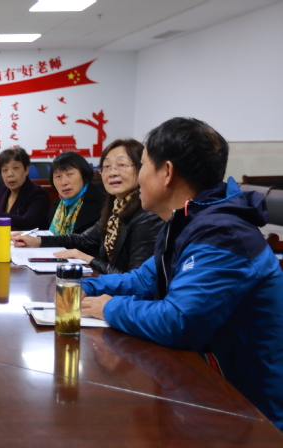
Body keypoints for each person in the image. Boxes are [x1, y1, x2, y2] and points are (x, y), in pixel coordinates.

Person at [80, 117, 283, 431]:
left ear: (167, 172)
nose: (138, 175)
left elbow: (180, 321)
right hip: (207, 395)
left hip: (250, 415)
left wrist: (109, 307)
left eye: (142, 165)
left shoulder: (222, 234)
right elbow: (143, 280)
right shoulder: (187, 220)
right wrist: (85, 287)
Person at [12, 139, 163, 274]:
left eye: (121, 165)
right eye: (107, 167)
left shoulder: (148, 215)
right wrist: (37, 241)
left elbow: (137, 282)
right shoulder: (115, 208)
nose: (112, 173)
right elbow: (82, 240)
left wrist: (87, 259)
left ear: (141, 169)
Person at [0, 147, 50, 230]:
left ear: (26, 170)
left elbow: (28, 221)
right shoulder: (4, 190)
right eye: (5, 170)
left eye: (15, 168)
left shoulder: (38, 194)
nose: (9, 174)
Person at [46, 151, 106, 235]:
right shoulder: (57, 206)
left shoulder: (103, 200)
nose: (64, 182)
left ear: (83, 174)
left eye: (70, 174)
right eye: (58, 176)